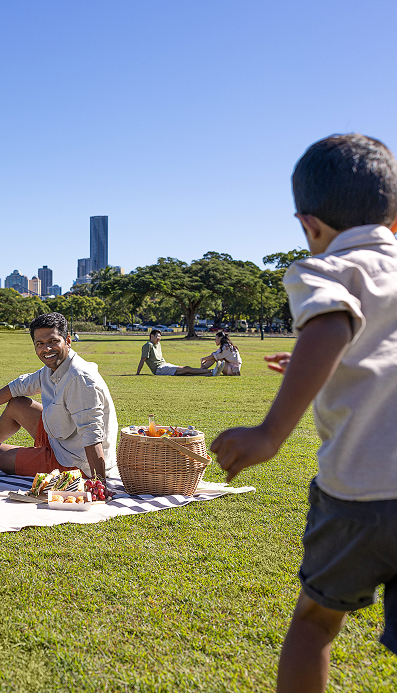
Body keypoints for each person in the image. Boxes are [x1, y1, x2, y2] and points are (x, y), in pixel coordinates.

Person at [211, 134, 397, 692]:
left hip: (357, 497)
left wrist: (269, 434)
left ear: (308, 225)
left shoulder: (328, 268)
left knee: (315, 624)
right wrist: (318, 360)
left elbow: (334, 324)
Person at [0, 312, 118, 479]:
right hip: (60, 439)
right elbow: (17, 387)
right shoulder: (52, 369)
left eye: (53, 341)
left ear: (67, 341)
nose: (47, 349)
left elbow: (92, 434)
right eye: (40, 343)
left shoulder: (80, 378)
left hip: (76, 462)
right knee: (17, 404)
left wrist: (99, 483)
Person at [136, 329, 220, 376]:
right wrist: (137, 373)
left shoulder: (158, 344)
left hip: (164, 365)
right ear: (152, 336)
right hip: (159, 369)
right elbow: (143, 359)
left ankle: (211, 373)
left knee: (186, 371)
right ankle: (212, 371)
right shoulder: (148, 345)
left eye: (160, 337)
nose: (159, 339)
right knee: (186, 369)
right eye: (158, 337)